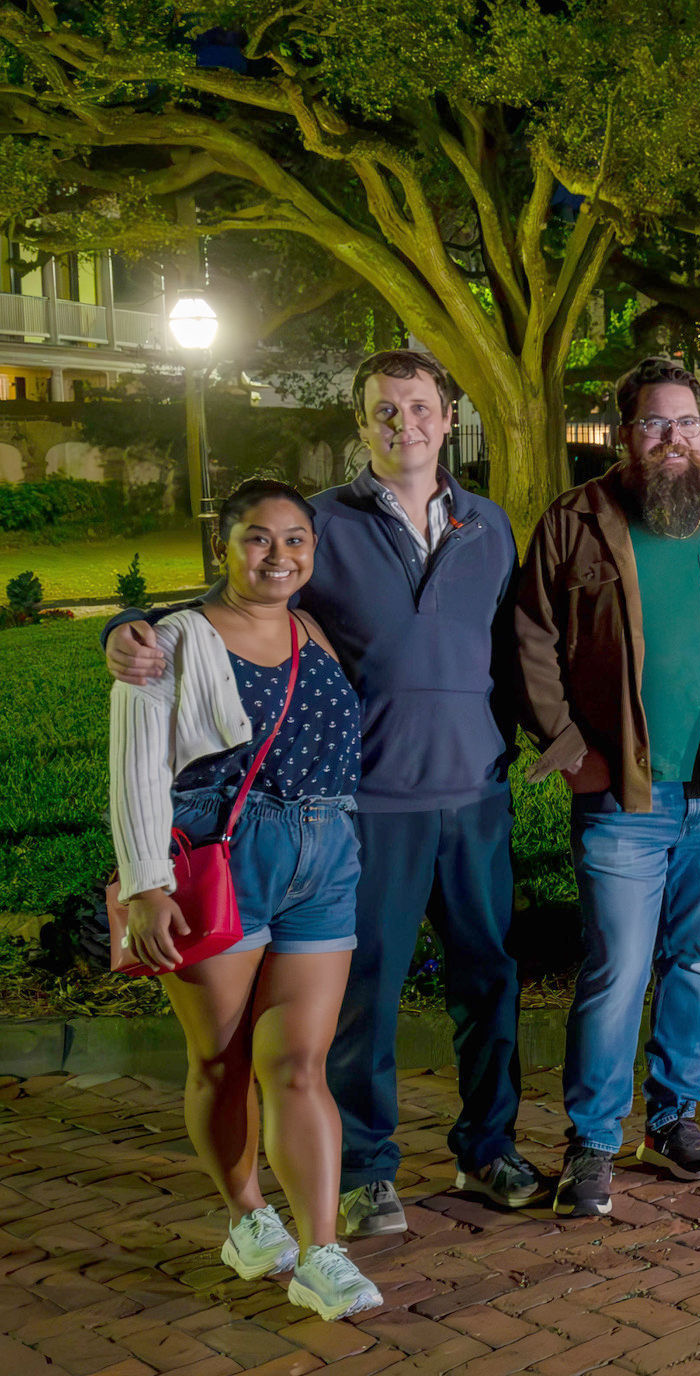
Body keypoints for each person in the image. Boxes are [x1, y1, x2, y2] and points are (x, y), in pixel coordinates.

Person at [106, 345, 537, 1239]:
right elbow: (241, 592)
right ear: (361, 422)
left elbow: (513, 645)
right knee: (363, 995)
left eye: (420, 409)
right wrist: (127, 626)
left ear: (447, 419)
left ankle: (488, 1144)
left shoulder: (489, 525)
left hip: (475, 791)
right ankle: (370, 1170)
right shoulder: (324, 524)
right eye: (384, 410)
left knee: (490, 979)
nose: (404, 425)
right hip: (366, 802)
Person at [513, 357, 700, 1218]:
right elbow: (532, 643)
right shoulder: (577, 521)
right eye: (654, 423)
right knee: (616, 971)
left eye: (687, 424)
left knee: (695, 962)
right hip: (623, 803)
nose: (673, 439)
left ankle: (673, 1117)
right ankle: (593, 1140)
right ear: (623, 435)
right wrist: (572, 750)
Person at [109, 480, 383, 1320]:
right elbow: (135, 764)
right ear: (223, 546)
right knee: (222, 1061)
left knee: (300, 1064)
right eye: (257, 539)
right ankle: (246, 1216)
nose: (278, 556)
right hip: (222, 858)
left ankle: (323, 1252)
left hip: (328, 854)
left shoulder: (315, 629)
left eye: (295, 540)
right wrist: (146, 884)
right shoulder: (174, 640)